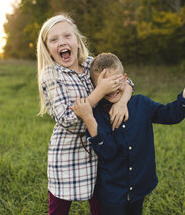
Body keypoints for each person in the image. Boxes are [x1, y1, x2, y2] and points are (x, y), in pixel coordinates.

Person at [71, 53, 185, 215]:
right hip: (111, 192)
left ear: (125, 78)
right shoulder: (96, 115)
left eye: (116, 82)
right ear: (96, 88)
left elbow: (172, 115)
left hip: (139, 185)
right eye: (106, 85)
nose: (113, 88)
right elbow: (107, 152)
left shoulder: (141, 104)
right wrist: (89, 119)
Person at [36, 14, 134, 215]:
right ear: (47, 48)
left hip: (100, 149)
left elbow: (126, 82)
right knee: (59, 208)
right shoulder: (51, 75)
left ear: (77, 42)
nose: (62, 42)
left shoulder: (92, 65)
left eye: (67, 36)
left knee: (100, 205)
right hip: (67, 155)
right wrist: (100, 91)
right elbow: (67, 119)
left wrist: (122, 102)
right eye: (54, 40)